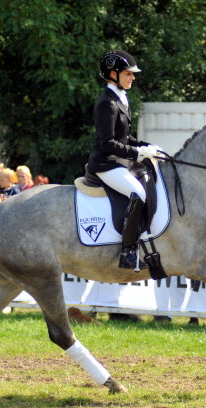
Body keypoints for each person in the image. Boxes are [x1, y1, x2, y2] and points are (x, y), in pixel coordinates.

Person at [86, 49, 162, 271]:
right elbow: (108, 143)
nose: (133, 77)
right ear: (113, 74)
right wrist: (137, 154)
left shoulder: (121, 98)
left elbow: (125, 137)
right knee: (137, 193)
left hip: (119, 160)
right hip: (106, 163)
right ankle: (127, 252)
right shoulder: (106, 104)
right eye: (128, 73)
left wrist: (145, 146)